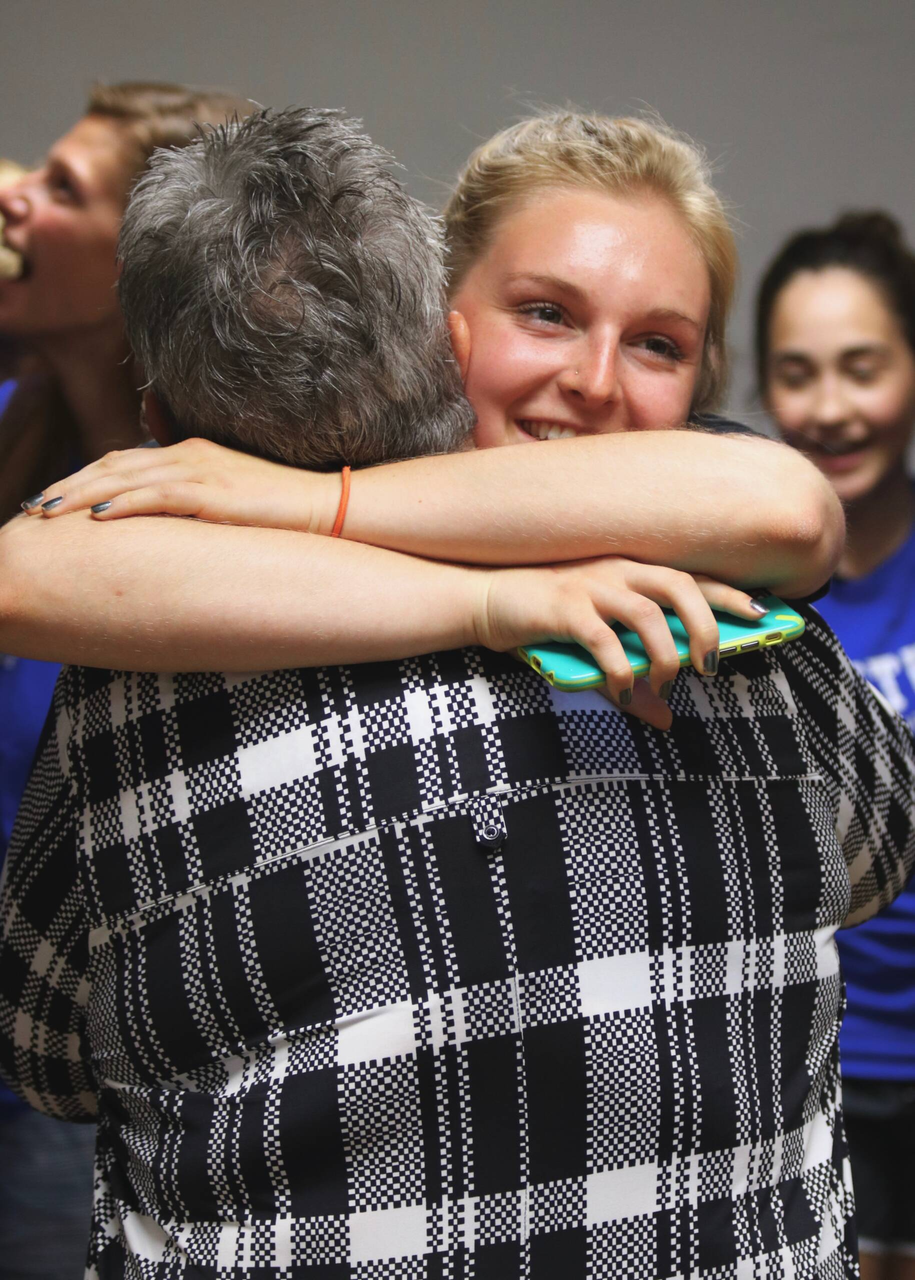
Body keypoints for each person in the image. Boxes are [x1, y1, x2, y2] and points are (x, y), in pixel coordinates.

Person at [1, 104, 911, 1279]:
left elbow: (51, 1042)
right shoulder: (196, 622)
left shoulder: (740, 619)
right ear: (442, 329)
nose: (591, 381)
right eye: (546, 313)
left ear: (702, 389)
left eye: (658, 344)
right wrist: (477, 592)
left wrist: (309, 502)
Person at [0, 81, 253, 1280]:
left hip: (80, 1073)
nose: (10, 195)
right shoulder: (14, 432)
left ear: (144, 261)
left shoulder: (244, 500)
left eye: (60, 190)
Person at [757, 211, 915, 1280]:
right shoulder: (734, 596)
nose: (830, 408)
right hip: (810, 1057)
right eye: (797, 372)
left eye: (862, 368)